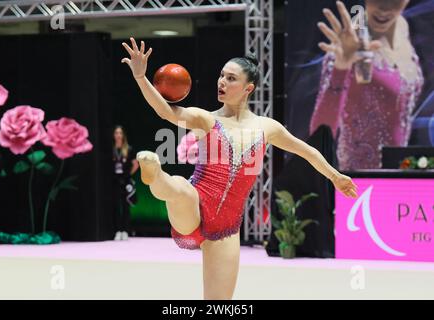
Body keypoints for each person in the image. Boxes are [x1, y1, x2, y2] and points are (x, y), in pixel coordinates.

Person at [121, 37, 358, 299]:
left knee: (219, 302)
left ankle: (159, 176)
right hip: (195, 207)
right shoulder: (206, 118)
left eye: (231, 78)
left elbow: (308, 151)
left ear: (249, 88)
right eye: (221, 75)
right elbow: (165, 111)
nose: (222, 82)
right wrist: (141, 77)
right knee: (180, 189)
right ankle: (155, 173)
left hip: (226, 227)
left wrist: (336, 176)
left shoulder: (267, 127)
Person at [310, 0, 424, 170]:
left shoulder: (401, 27)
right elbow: (320, 134)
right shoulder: (350, 43)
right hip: (360, 183)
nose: (385, 7)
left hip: (399, 177)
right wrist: (341, 68)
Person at [112, 125, 139, 241]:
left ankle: (125, 231)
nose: (118, 135)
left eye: (120, 133)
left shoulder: (128, 149)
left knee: (125, 206)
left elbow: (136, 164)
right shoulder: (111, 149)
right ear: (114, 135)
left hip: (126, 181)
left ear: (123, 135)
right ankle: (118, 230)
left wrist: (128, 174)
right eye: (116, 133)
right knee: (116, 206)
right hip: (114, 181)